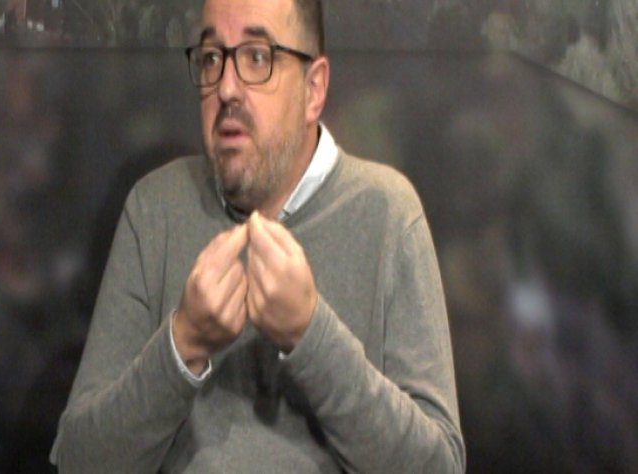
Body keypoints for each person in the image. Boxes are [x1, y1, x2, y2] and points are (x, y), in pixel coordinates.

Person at [51, 0, 465, 471]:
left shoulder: (389, 213)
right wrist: (184, 344)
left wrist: (310, 334)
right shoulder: (155, 208)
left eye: (257, 57)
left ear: (313, 89)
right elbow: (80, 461)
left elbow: (439, 466)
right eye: (212, 58)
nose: (226, 88)